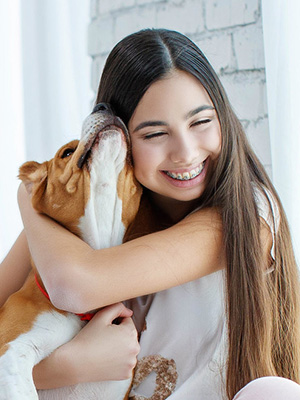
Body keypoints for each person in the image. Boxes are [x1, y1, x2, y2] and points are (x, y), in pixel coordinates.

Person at [2, 28, 300, 399]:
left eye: (201, 122)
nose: (186, 153)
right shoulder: (103, 216)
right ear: (120, 137)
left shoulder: (248, 217)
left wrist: (29, 193)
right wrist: (61, 368)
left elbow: (73, 287)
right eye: (155, 133)